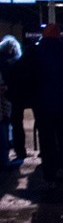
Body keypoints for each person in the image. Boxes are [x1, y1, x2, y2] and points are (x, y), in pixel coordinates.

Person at [18, 24, 63, 187]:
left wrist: (24, 97)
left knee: (46, 139)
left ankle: (49, 172)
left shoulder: (34, 51)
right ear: (58, 36)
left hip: (42, 105)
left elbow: (19, 73)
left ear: (43, 35)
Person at [0, 35, 25, 167]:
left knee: (9, 124)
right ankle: (18, 151)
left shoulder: (2, 61)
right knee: (14, 124)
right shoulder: (18, 61)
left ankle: (12, 151)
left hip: (7, 95)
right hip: (16, 96)